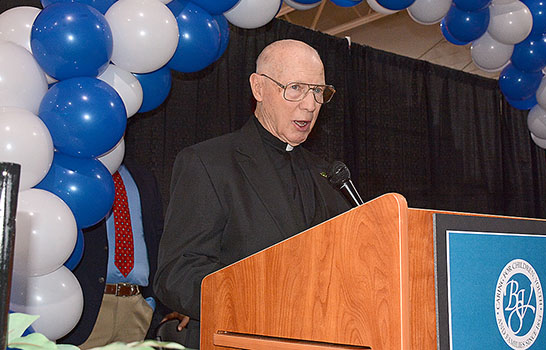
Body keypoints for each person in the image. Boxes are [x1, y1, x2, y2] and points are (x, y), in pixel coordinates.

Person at [153, 39, 352, 349]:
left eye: (318, 91)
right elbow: (176, 275)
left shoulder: (327, 176)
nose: (310, 105)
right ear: (259, 88)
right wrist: (257, 301)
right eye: (296, 88)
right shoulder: (208, 162)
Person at [59, 160, 168, 348]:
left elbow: (158, 237)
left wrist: (151, 302)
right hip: (90, 309)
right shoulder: (78, 174)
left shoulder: (142, 176)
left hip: (137, 309)